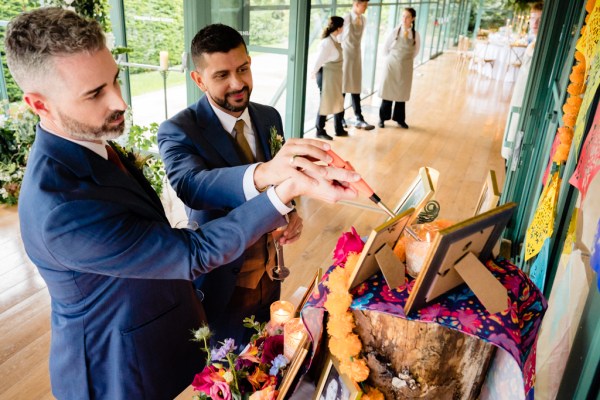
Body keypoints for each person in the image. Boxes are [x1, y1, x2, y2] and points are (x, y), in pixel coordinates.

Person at [6, 8, 360, 399]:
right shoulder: (60, 209)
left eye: (115, 81)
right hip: (118, 368)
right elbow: (191, 249)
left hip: (167, 327)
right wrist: (282, 189)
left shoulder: (91, 145)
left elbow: (146, 235)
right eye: (95, 93)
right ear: (39, 105)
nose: (120, 101)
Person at [158, 23, 351, 345]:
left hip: (271, 273)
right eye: (221, 75)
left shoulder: (268, 116)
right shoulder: (178, 129)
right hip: (222, 281)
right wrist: (267, 172)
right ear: (199, 79)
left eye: (243, 69)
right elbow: (193, 186)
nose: (237, 83)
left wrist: (289, 213)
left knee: (267, 355)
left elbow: (286, 182)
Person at [502, 1, 543, 159]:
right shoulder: (532, 44)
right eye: (532, 18)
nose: (535, 23)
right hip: (519, 100)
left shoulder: (542, 47)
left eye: (539, 19)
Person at [378, 7, 420, 129]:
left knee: (402, 95)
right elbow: (385, 48)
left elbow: (416, 51)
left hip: (406, 67)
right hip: (392, 66)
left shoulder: (415, 34)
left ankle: (400, 119)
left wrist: (405, 59)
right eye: (403, 16)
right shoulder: (395, 32)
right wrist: (393, 59)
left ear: (413, 19)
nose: (404, 19)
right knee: (388, 93)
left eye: (407, 17)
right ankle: (382, 118)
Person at [337, 0, 375, 131]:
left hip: (356, 56)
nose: (366, 7)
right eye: (364, 5)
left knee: (355, 88)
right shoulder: (346, 18)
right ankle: (340, 118)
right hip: (346, 55)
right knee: (343, 88)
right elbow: (339, 38)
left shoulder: (363, 19)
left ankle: (359, 117)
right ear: (356, 4)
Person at [312, 16, 346, 140]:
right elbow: (319, 59)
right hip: (326, 76)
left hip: (334, 76)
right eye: (343, 26)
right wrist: (313, 72)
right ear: (339, 28)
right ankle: (319, 130)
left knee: (338, 100)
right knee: (325, 102)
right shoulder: (327, 42)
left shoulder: (335, 39)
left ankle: (339, 128)